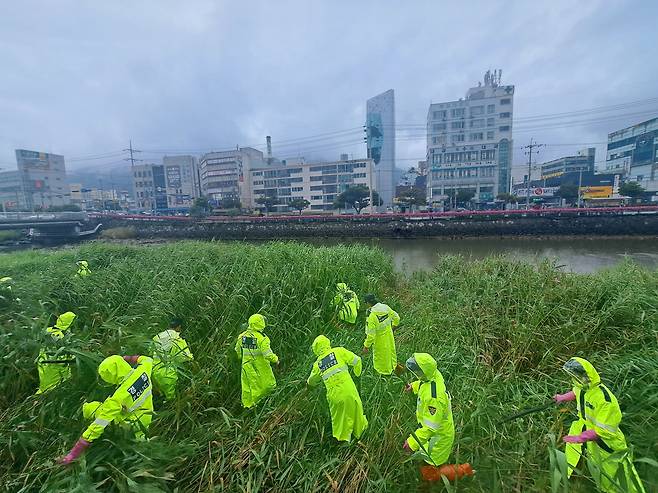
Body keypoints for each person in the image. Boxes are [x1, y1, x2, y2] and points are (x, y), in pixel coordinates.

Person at [554, 357, 646, 492]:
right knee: (600, 472)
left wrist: (580, 438)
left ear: (588, 376)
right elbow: (576, 392)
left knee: (620, 475)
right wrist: (562, 397)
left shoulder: (605, 400)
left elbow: (604, 430)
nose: (577, 380)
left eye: (578, 377)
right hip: (590, 439)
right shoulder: (583, 388)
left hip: (607, 444)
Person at [58, 354, 154, 465]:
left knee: (92, 408)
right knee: (140, 441)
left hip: (130, 425)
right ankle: (142, 448)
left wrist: (73, 454)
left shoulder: (118, 398)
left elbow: (98, 425)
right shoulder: (143, 370)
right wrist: (126, 358)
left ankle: (77, 415)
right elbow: (146, 359)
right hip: (146, 417)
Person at [307, 335, 368, 442]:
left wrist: (309, 385)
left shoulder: (318, 364)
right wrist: (356, 374)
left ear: (315, 349)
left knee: (339, 419)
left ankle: (343, 441)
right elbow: (357, 360)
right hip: (348, 388)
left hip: (333, 395)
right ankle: (361, 435)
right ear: (327, 342)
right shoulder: (338, 351)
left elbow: (311, 381)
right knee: (356, 411)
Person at [403, 353, 455, 466]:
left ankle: (460, 472)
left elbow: (431, 428)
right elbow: (424, 383)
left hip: (437, 440)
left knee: (432, 467)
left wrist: (412, 442)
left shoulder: (434, 398)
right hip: (432, 437)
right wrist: (414, 386)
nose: (416, 374)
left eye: (418, 372)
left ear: (424, 372)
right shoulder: (433, 374)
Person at [234, 314, 279, 408]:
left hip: (246, 366)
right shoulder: (262, 339)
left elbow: (237, 351)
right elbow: (268, 354)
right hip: (261, 367)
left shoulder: (242, 336)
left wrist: (239, 358)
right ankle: (261, 406)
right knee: (266, 385)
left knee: (247, 387)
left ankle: (247, 406)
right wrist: (276, 360)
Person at [151, 318, 194, 400]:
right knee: (170, 402)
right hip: (168, 375)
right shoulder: (177, 339)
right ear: (179, 327)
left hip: (154, 373)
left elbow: (151, 353)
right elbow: (186, 357)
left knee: (158, 399)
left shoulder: (156, 337)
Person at [36, 311, 77, 394]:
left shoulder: (48, 330)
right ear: (69, 323)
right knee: (51, 389)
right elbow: (64, 358)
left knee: (44, 385)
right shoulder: (61, 338)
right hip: (55, 368)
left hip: (43, 363)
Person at [362, 294, 400, 375]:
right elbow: (396, 318)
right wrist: (393, 327)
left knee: (381, 358)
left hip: (379, 341)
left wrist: (366, 346)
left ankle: (383, 375)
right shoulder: (386, 307)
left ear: (368, 303)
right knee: (391, 352)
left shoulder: (371, 316)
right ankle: (393, 368)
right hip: (389, 336)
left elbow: (371, 335)